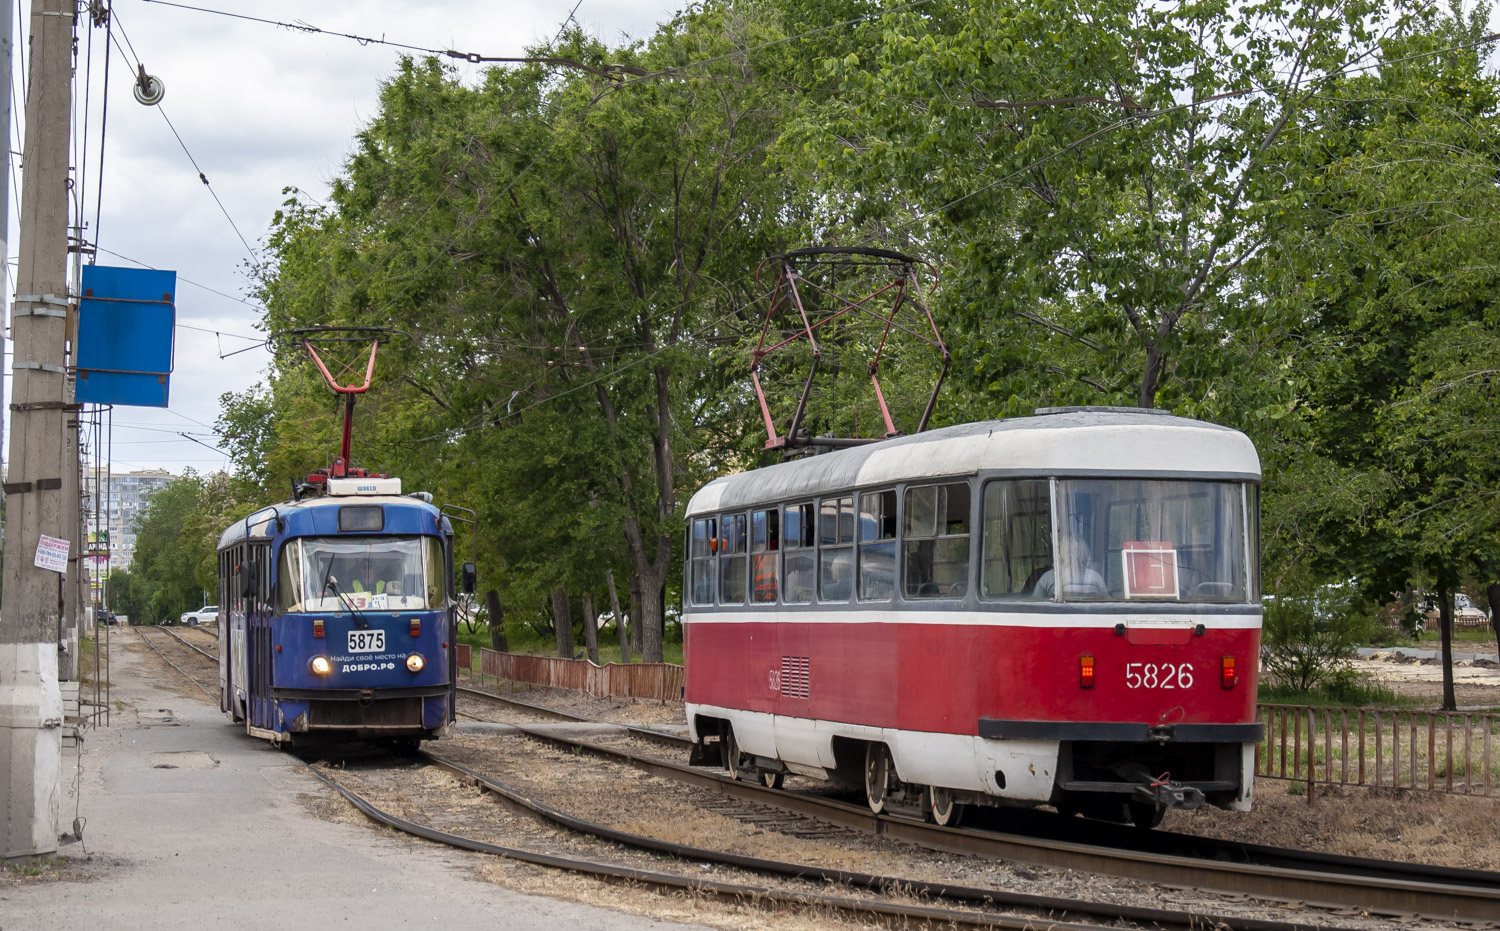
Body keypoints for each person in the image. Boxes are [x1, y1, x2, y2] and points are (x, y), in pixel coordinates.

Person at [1032, 537, 1106, 599]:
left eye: (1076, 552)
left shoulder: (1047, 578)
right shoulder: (1096, 578)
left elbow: (1034, 608)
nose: (1073, 555)